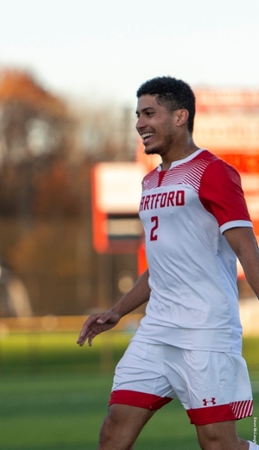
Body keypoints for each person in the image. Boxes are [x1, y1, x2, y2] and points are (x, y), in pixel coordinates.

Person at [77, 76, 259, 450]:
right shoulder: (150, 183)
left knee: (218, 443)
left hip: (205, 331)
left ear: (180, 116)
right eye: (137, 115)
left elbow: (247, 250)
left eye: (149, 113)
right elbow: (161, 267)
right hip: (157, 331)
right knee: (114, 431)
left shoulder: (213, 172)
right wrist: (118, 311)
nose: (140, 123)